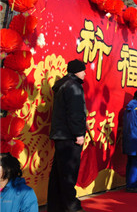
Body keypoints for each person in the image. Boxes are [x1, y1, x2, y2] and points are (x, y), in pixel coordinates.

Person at [47, 59, 88, 212]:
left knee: (58, 173)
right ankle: (71, 206)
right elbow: (75, 113)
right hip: (69, 137)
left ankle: (55, 206)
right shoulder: (74, 87)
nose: (85, 73)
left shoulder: (63, 85)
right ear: (77, 71)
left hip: (60, 136)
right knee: (69, 173)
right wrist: (79, 134)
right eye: (83, 70)